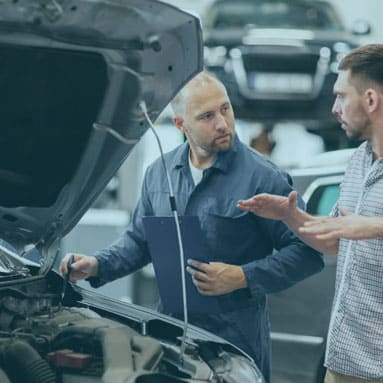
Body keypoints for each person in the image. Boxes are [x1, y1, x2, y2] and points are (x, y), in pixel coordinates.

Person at [60, 71, 323, 382]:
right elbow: (140, 241)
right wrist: (98, 265)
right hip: (171, 337)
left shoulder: (263, 177)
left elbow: (308, 252)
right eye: (207, 116)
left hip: (235, 345)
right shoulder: (160, 173)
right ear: (181, 125)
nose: (223, 123)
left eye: (225, 109)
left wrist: (243, 277)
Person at [238, 44, 383, 383]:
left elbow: (363, 228)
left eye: (341, 96)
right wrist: (290, 215)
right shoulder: (358, 161)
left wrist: (375, 226)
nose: (334, 108)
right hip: (344, 360)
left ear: (371, 100)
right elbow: (333, 240)